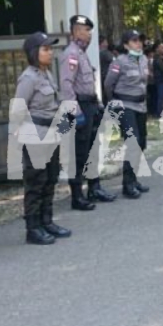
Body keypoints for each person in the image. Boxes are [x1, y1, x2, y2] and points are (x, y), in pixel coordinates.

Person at [11, 31, 70, 246]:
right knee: (36, 182)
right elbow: (18, 108)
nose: (50, 52)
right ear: (34, 53)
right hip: (34, 134)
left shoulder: (47, 74)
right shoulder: (28, 78)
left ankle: (47, 221)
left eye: (51, 48)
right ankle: (33, 228)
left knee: (50, 177)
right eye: (46, 49)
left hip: (51, 133)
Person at [60, 15, 115, 209]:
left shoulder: (83, 54)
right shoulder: (71, 54)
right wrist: (76, 112)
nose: (89, 34)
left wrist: (98, 105)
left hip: (90, 105)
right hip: (79, 107)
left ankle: (94, 187)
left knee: (93, 149)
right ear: (75, 31)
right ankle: (77, 195)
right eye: (85, 30)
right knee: (79, 152)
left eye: (90, 31)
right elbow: (67, 86)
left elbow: (89, 84)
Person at [104, 30, 151, 199]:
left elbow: (144, 83)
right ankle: (127, 184)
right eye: (134, 41)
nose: (138, 43)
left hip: (141, 105)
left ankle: (134, 178)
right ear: (125, 45)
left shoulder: (144, 59)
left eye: (140, 40)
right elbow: (108, 84)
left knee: (141, 142)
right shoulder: (119, 62)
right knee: (133, 141)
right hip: (125, 105)